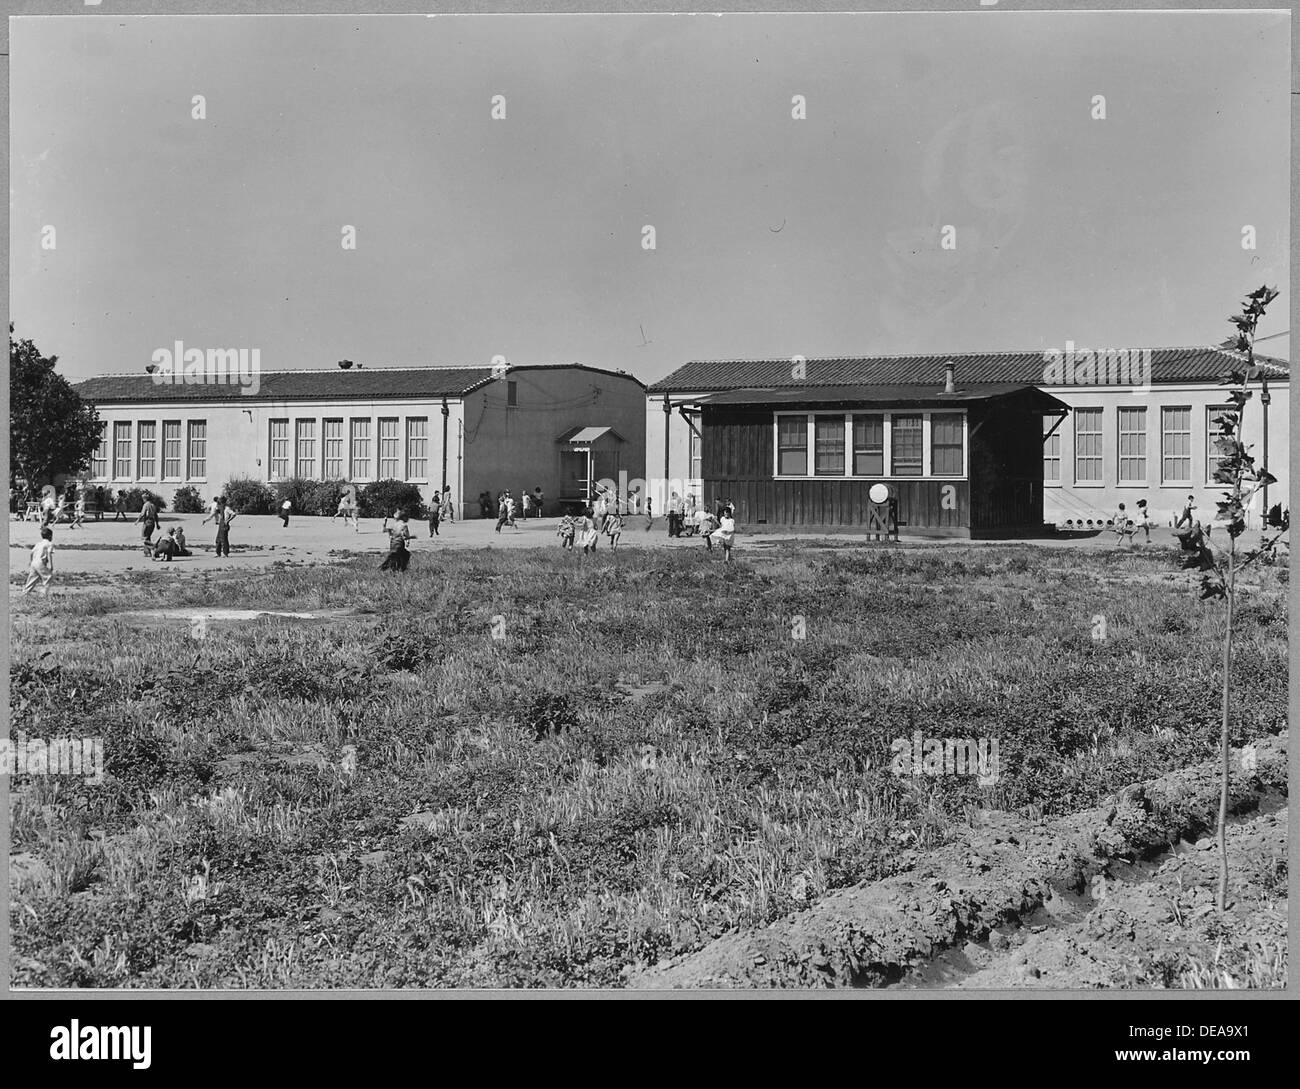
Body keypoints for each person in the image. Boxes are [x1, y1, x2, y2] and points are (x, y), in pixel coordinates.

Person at [22, 526, 55, 596]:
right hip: (40, 563)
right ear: (50, 536)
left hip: (34, 562)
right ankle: (43, 593)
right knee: (48, 577)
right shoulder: (49, 544)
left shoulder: (38, 543)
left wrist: (30, 561)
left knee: (33, 578)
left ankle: (25, 592)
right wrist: (51, 565)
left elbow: (31, 552)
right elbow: (49, 553)